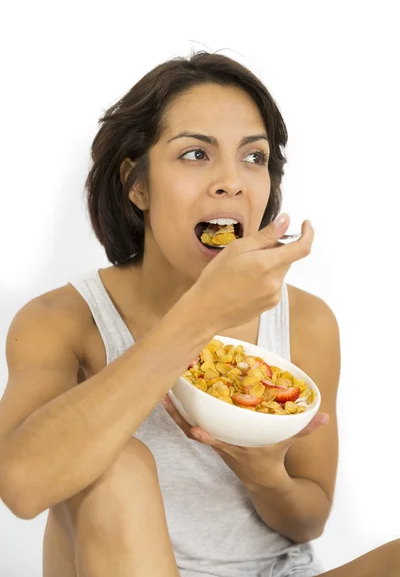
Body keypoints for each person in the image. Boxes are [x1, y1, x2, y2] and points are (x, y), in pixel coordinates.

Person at [0, 52, 398, 577]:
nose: (231, 182)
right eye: (195, 154)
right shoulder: (63, 320)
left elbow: (308, 521)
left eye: (253, 158)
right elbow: (23, 488)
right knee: (116, 465)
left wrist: (264, 477)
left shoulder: (306, 321)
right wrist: (200, 314)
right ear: (137, 184)